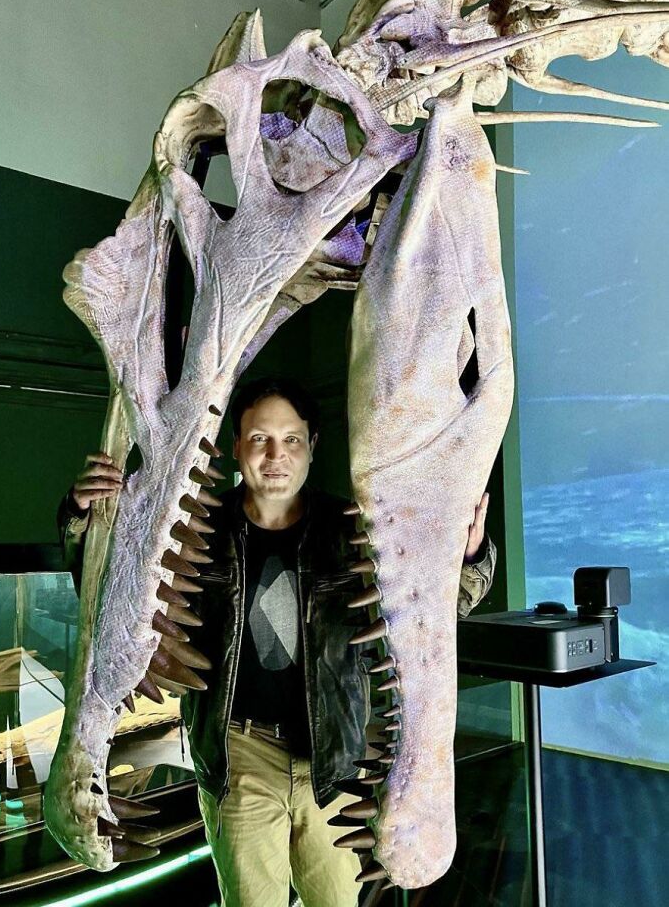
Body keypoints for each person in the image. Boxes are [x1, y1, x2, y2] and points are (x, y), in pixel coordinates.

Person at [57, 376, 496, 907]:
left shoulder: (354, 530)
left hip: (335, 760)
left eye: (291, 439)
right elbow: (113, 594)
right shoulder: (196, 528)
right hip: (237, 755)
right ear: (236, 446)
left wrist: (470, 555)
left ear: (312, 446)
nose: (275, 455)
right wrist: (83, 515)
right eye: (259, 439)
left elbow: (438, 610)